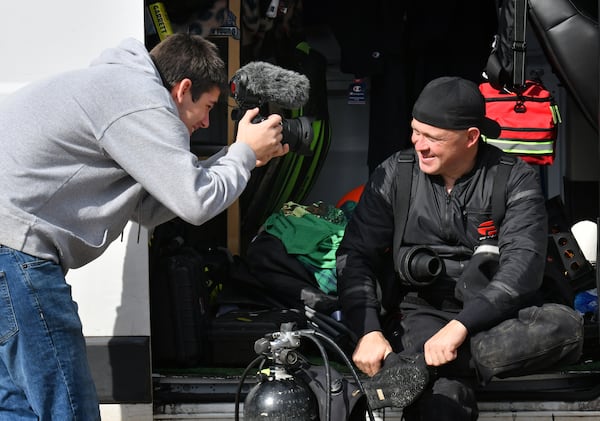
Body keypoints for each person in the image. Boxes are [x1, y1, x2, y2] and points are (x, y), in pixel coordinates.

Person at [0, 33, 288, 420]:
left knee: (18, 408)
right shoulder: (142, 103)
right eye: (208, 107)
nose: (205, 122)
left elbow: (150, 208)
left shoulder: (119, 88)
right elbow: (196, 202)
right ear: (183, 89)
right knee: (69, 409)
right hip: (17, 256)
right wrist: (242, 153)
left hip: (9, 254)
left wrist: (237, 158)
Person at [336, 76, 548, 420]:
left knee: (563, 327)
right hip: (422, 314)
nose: (420, 145)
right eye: (415, 132)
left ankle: (416, 365)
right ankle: (429, 363)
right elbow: (355, 255)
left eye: (433, 138)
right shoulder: (395, 174)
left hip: (495, 314)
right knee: (441, 402)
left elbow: (523, 268)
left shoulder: (514, 177)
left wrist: (459, 329)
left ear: (471, 138)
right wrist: (369, 330)